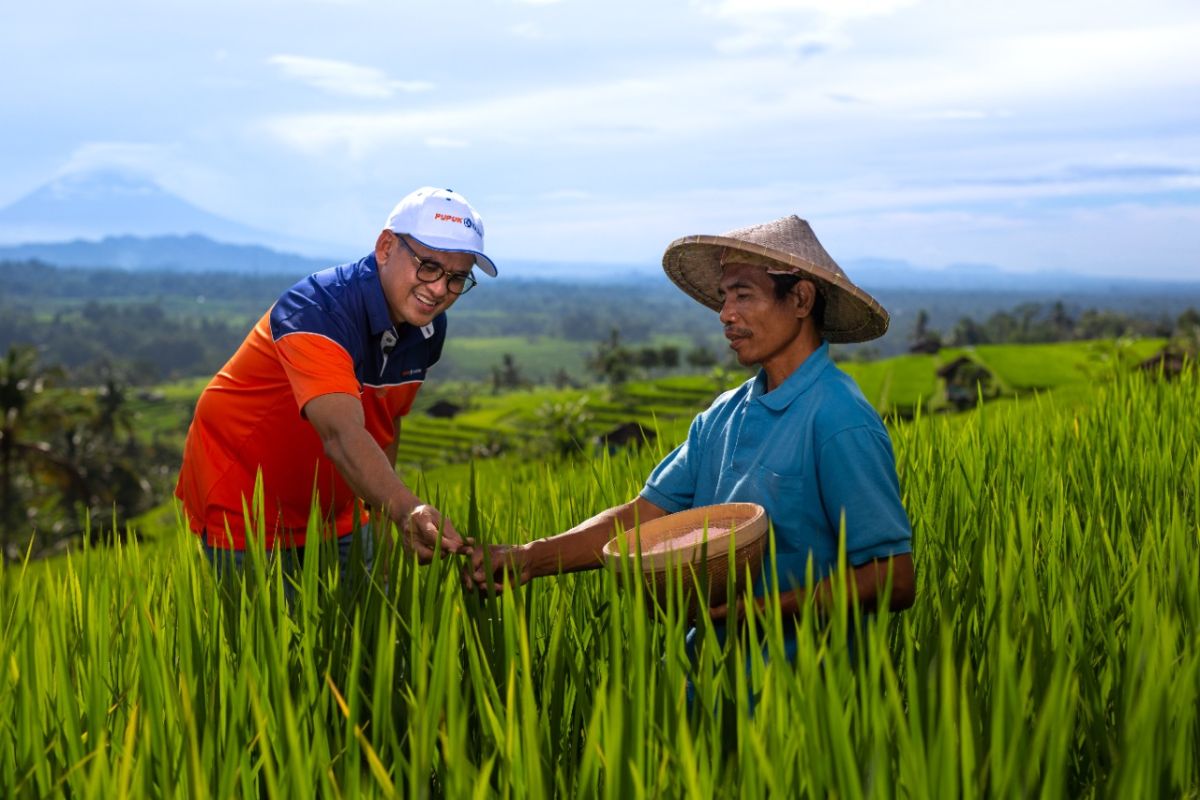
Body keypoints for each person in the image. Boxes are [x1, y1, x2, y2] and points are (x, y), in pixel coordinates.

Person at [469, 214, 914, 629]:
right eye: (724, 298)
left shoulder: (839, 418)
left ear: (800, 299)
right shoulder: (721, 417)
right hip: (702, 686)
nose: (725, 315)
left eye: (743, 295)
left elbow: (893, 579)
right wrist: (530, 558)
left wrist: (753, 614)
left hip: (800, 691)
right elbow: (641, 518)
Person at [176, 187, 496, 576]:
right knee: (271, 634)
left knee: (361, 630)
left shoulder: (426, 328)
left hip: (339, 508)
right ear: (385, 247)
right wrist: (404, 507)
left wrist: (383, 518)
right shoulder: (315, 311)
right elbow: (341, 434)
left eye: (457, 278)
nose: (439, 289)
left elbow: (385, 421)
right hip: (245, 506)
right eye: (428, 266)